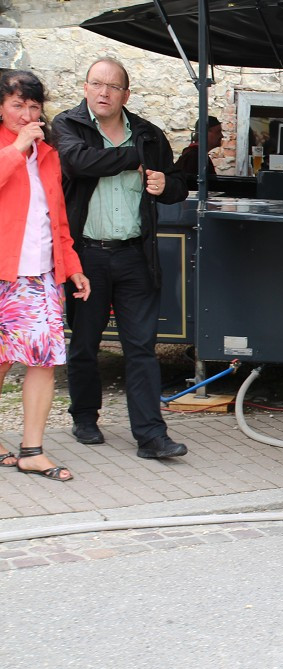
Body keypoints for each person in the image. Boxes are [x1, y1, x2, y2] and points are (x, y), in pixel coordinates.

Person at [53, 58, 188, 459]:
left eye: (113, 87)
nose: (104, 93)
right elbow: (77, 162)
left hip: (135, 255)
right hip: (87, 256)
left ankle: (151, 437)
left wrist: (167, 186)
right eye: (97, 84)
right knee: (85, 343)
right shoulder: (68, 126)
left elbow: (179, 183)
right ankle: (84, 417)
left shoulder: (149, 134)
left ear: (125, 95)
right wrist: (131, 158)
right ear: (85, 87)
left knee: (142, 348)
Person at [0, 70, 91, 481]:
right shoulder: (14, 147)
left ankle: (32, 450)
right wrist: (17, 148)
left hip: (37, 274)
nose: (27, 114)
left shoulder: (50, 154)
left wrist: (71, 267)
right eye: (17, 105)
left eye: (34, 107)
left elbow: (57, 220)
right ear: (1, 108)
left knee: (43, 359)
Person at [176, 114, 222, 190]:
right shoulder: (194, 156)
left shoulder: (197, 155)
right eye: (218, 132)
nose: (221, 136)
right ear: (206, 133)